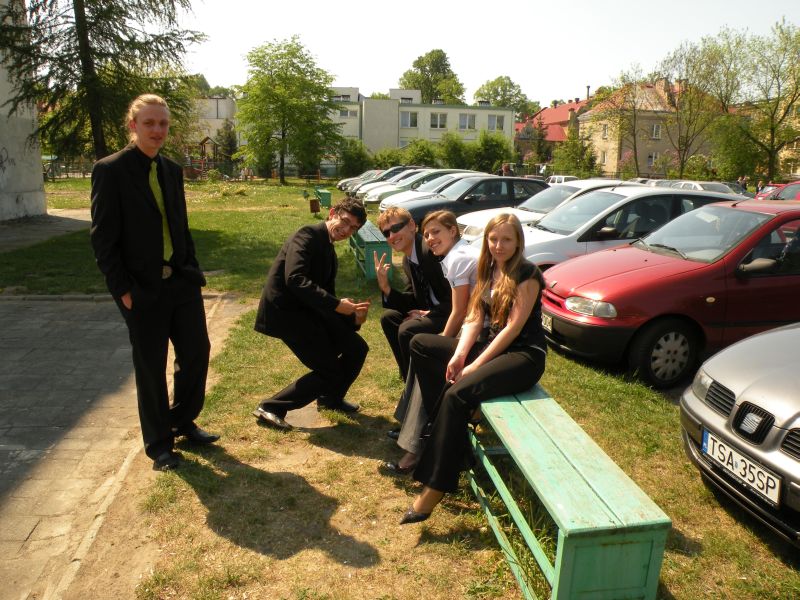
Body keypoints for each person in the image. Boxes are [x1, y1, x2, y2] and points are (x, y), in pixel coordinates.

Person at [91, 94, 216, 471]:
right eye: (149, 123)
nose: (157, 130)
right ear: (133, 125)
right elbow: (103, 238)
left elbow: (181, 226)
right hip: (140, 288)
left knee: (196, 352)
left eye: (162, 123)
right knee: (151, 367)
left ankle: (181, 420)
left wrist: (190, 267)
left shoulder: (171, 170)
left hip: (180, 282)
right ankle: (159, 445)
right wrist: (122, 290)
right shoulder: (110, 170)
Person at [399, 213, 547, 524]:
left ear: (518, 242)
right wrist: (459, 355)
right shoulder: (488, 269)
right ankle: (454, 438)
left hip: (523, 356)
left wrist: (475, 365)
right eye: (493, 239)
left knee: (456, 395)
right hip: (490, 348)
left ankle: (435, 488)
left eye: (506, 239)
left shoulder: (528, 274)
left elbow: (513, 329)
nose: (498, 245)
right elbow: (474, 318)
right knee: (421, 344)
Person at [252, 197, 370, 430]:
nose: (346, 230)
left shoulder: (328, 248)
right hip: (286, 314)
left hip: (309, 313)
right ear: (332, 213)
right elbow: (295, 279)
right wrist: (337, 305)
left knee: (356, 348)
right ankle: (271, 407)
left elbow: (327, 297)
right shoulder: (307, 235)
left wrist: (352, 318)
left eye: (353, 228)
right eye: (345, 221)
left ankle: (330, 399)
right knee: (329, 370)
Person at [381, 210, 479, 475]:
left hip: (475, 333)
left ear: (453, 231)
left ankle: (418, 446)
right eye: (428, 234)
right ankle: (415, 433)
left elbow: (459, 310)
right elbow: (467, 310)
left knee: (420, 347)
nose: (431, 239)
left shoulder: (454, 257)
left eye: (436, 232)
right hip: (472, 329)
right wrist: (387, 289)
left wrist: (443, 338)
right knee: (414, 341)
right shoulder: (449, 256)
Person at [373, 207, 452, 439]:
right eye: (386, 233)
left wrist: (429, 313)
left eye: (396, 228)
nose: (391, 236)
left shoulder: (429, 251)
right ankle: (409, 379)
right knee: (390, 319)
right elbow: (414, 299)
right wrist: (386, 288)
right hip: (437, 311)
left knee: (408, 330)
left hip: (452, 313)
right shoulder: (410, 258)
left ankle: (420, 397)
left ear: (411, 226)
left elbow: (458, 298)